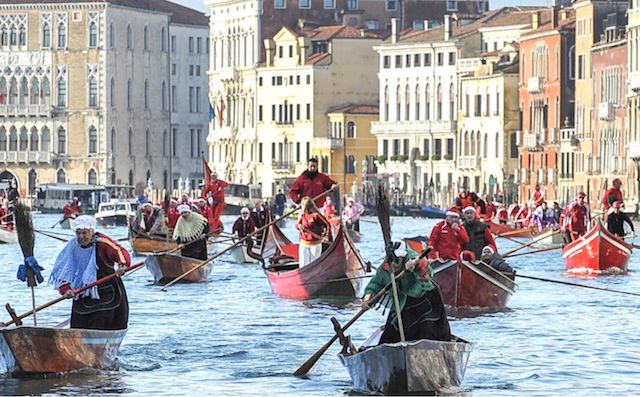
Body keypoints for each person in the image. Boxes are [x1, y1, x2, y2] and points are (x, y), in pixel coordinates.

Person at [50, 215, 131, 330]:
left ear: (92, 232)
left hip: (107, 295)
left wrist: (122, 265)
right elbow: (64, 272)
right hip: (82, 296)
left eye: (84, 233)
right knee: (78, 327)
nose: (81, 237)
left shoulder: (103, 242)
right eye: (78, 233)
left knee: (103, 323)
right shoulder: (72, 248)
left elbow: (120, 251)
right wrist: (66, 290)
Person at [362, 243, 451, 344]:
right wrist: (367, 300)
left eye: (400, 259)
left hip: (423, 302)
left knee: (429, 332)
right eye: (394, 260)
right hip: (400, 306)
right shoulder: (384, 269)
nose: (396, 263)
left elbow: (425, 267)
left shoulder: (412, 259)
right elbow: (373, 286)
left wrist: (416, 266)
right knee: (389, 339)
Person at [296, 197, 331, 267]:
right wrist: (299, 226)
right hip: (304, 243)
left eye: (302, 206)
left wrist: (326, 236)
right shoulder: (302, 215)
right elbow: (297, 225)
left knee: (314, 265)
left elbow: (327, 225)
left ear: (305, 206)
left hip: (315, 244)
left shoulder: (316, 215)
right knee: (303, 265)